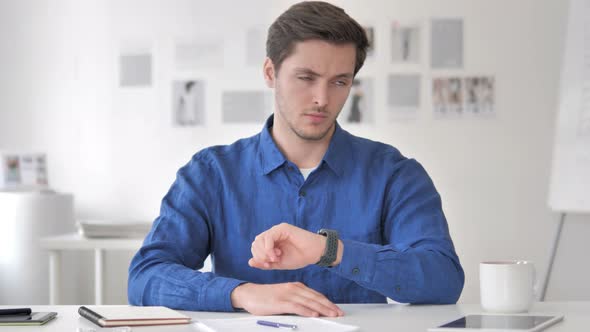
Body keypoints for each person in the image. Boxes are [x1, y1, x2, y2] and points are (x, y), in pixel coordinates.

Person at [128, 1, 464, 318]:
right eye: (306, 78)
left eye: (339, 82)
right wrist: (242, 294)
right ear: (270, 73)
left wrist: (329, 251)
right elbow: (146, 277)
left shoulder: (395, 174)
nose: (322, 98)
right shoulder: (210, 173)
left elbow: (443, 279)